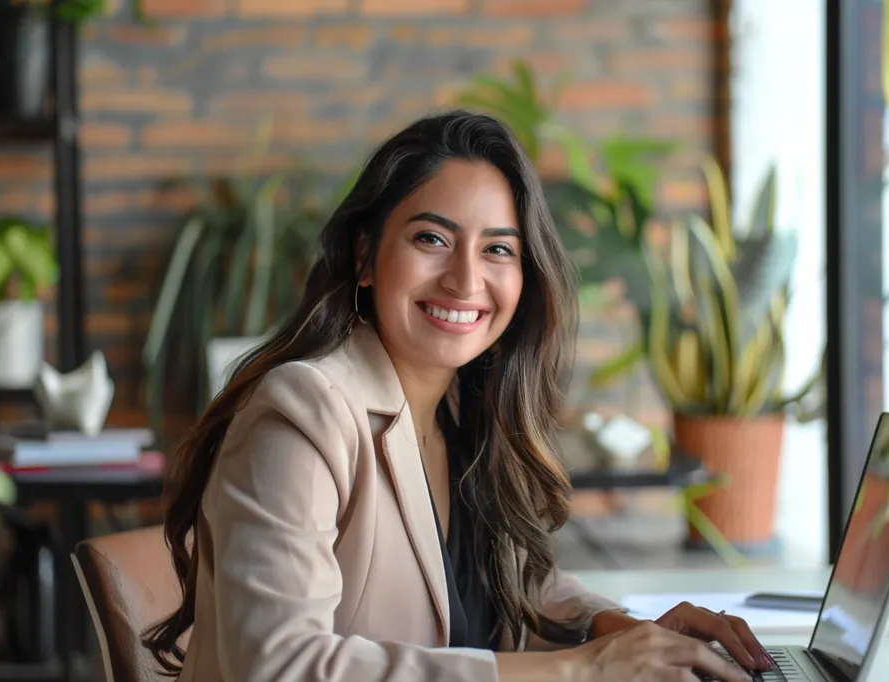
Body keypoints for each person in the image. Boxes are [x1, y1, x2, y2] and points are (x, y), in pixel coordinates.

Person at [141, 110, 775, 682]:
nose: (466, 279)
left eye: (497, 249)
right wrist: (582, 670)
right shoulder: (301, 416)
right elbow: (278, 664)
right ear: (366, 257)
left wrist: (620, 629)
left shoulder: (465, 411)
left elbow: (518, 583)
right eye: (432, 239)